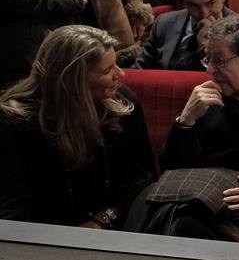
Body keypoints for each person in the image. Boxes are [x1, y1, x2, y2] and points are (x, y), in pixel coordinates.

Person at [145, 17, 239, 241]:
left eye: (220, 61)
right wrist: (186, 121)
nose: (210, 71)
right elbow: (173, 169)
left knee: (185, 228)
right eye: (208, 60)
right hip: (204, 198)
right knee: (171, 217)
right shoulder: (208, 96)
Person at [0, 25, 154, 227]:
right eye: (107, 70)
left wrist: (102, 221)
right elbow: (12, 202)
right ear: (72, 79)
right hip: (40, 233)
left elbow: (141, 180)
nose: (121, 75)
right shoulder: (16, 121)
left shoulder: (124, 104)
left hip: (114, 227)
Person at [134, 0, 234, 71]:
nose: (204, 14)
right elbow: (140, 70)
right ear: (183, 3)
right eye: (194, 6)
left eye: (211, 3)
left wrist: (204, 49)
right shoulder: (164, 23)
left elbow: (226, 78)